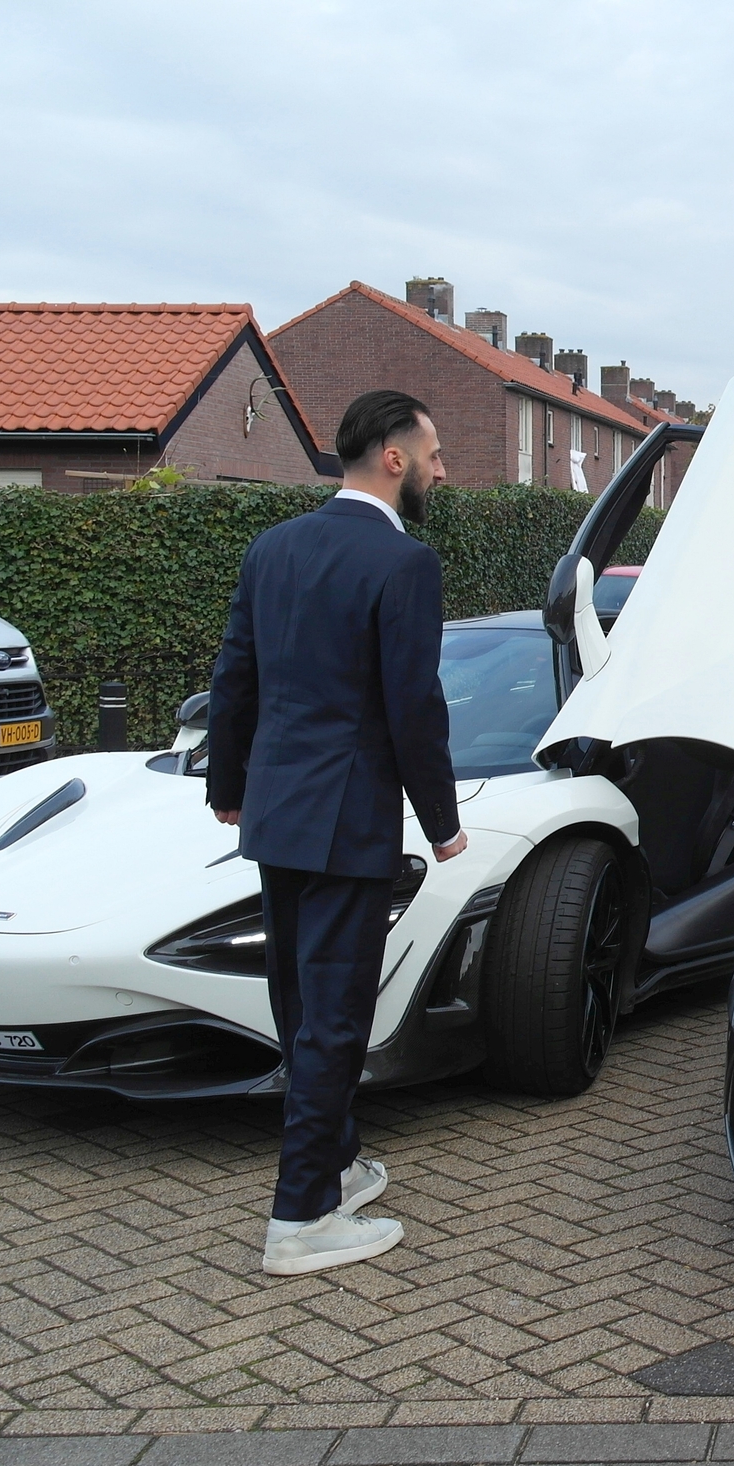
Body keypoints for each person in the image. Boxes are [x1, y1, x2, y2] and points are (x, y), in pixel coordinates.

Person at [206, 390, 468, 1277]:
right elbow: (413, 706)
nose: (441, 470)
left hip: (278, 818)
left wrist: (229, 786)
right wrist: (443, 823)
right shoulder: (405, 565)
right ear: (392, 458)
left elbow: (234, 674)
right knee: (335, 1019)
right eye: (433, 454)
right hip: (346, 822)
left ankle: (337, 1162)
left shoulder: (273, 547)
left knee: (298, 1007)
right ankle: (303, 1217)